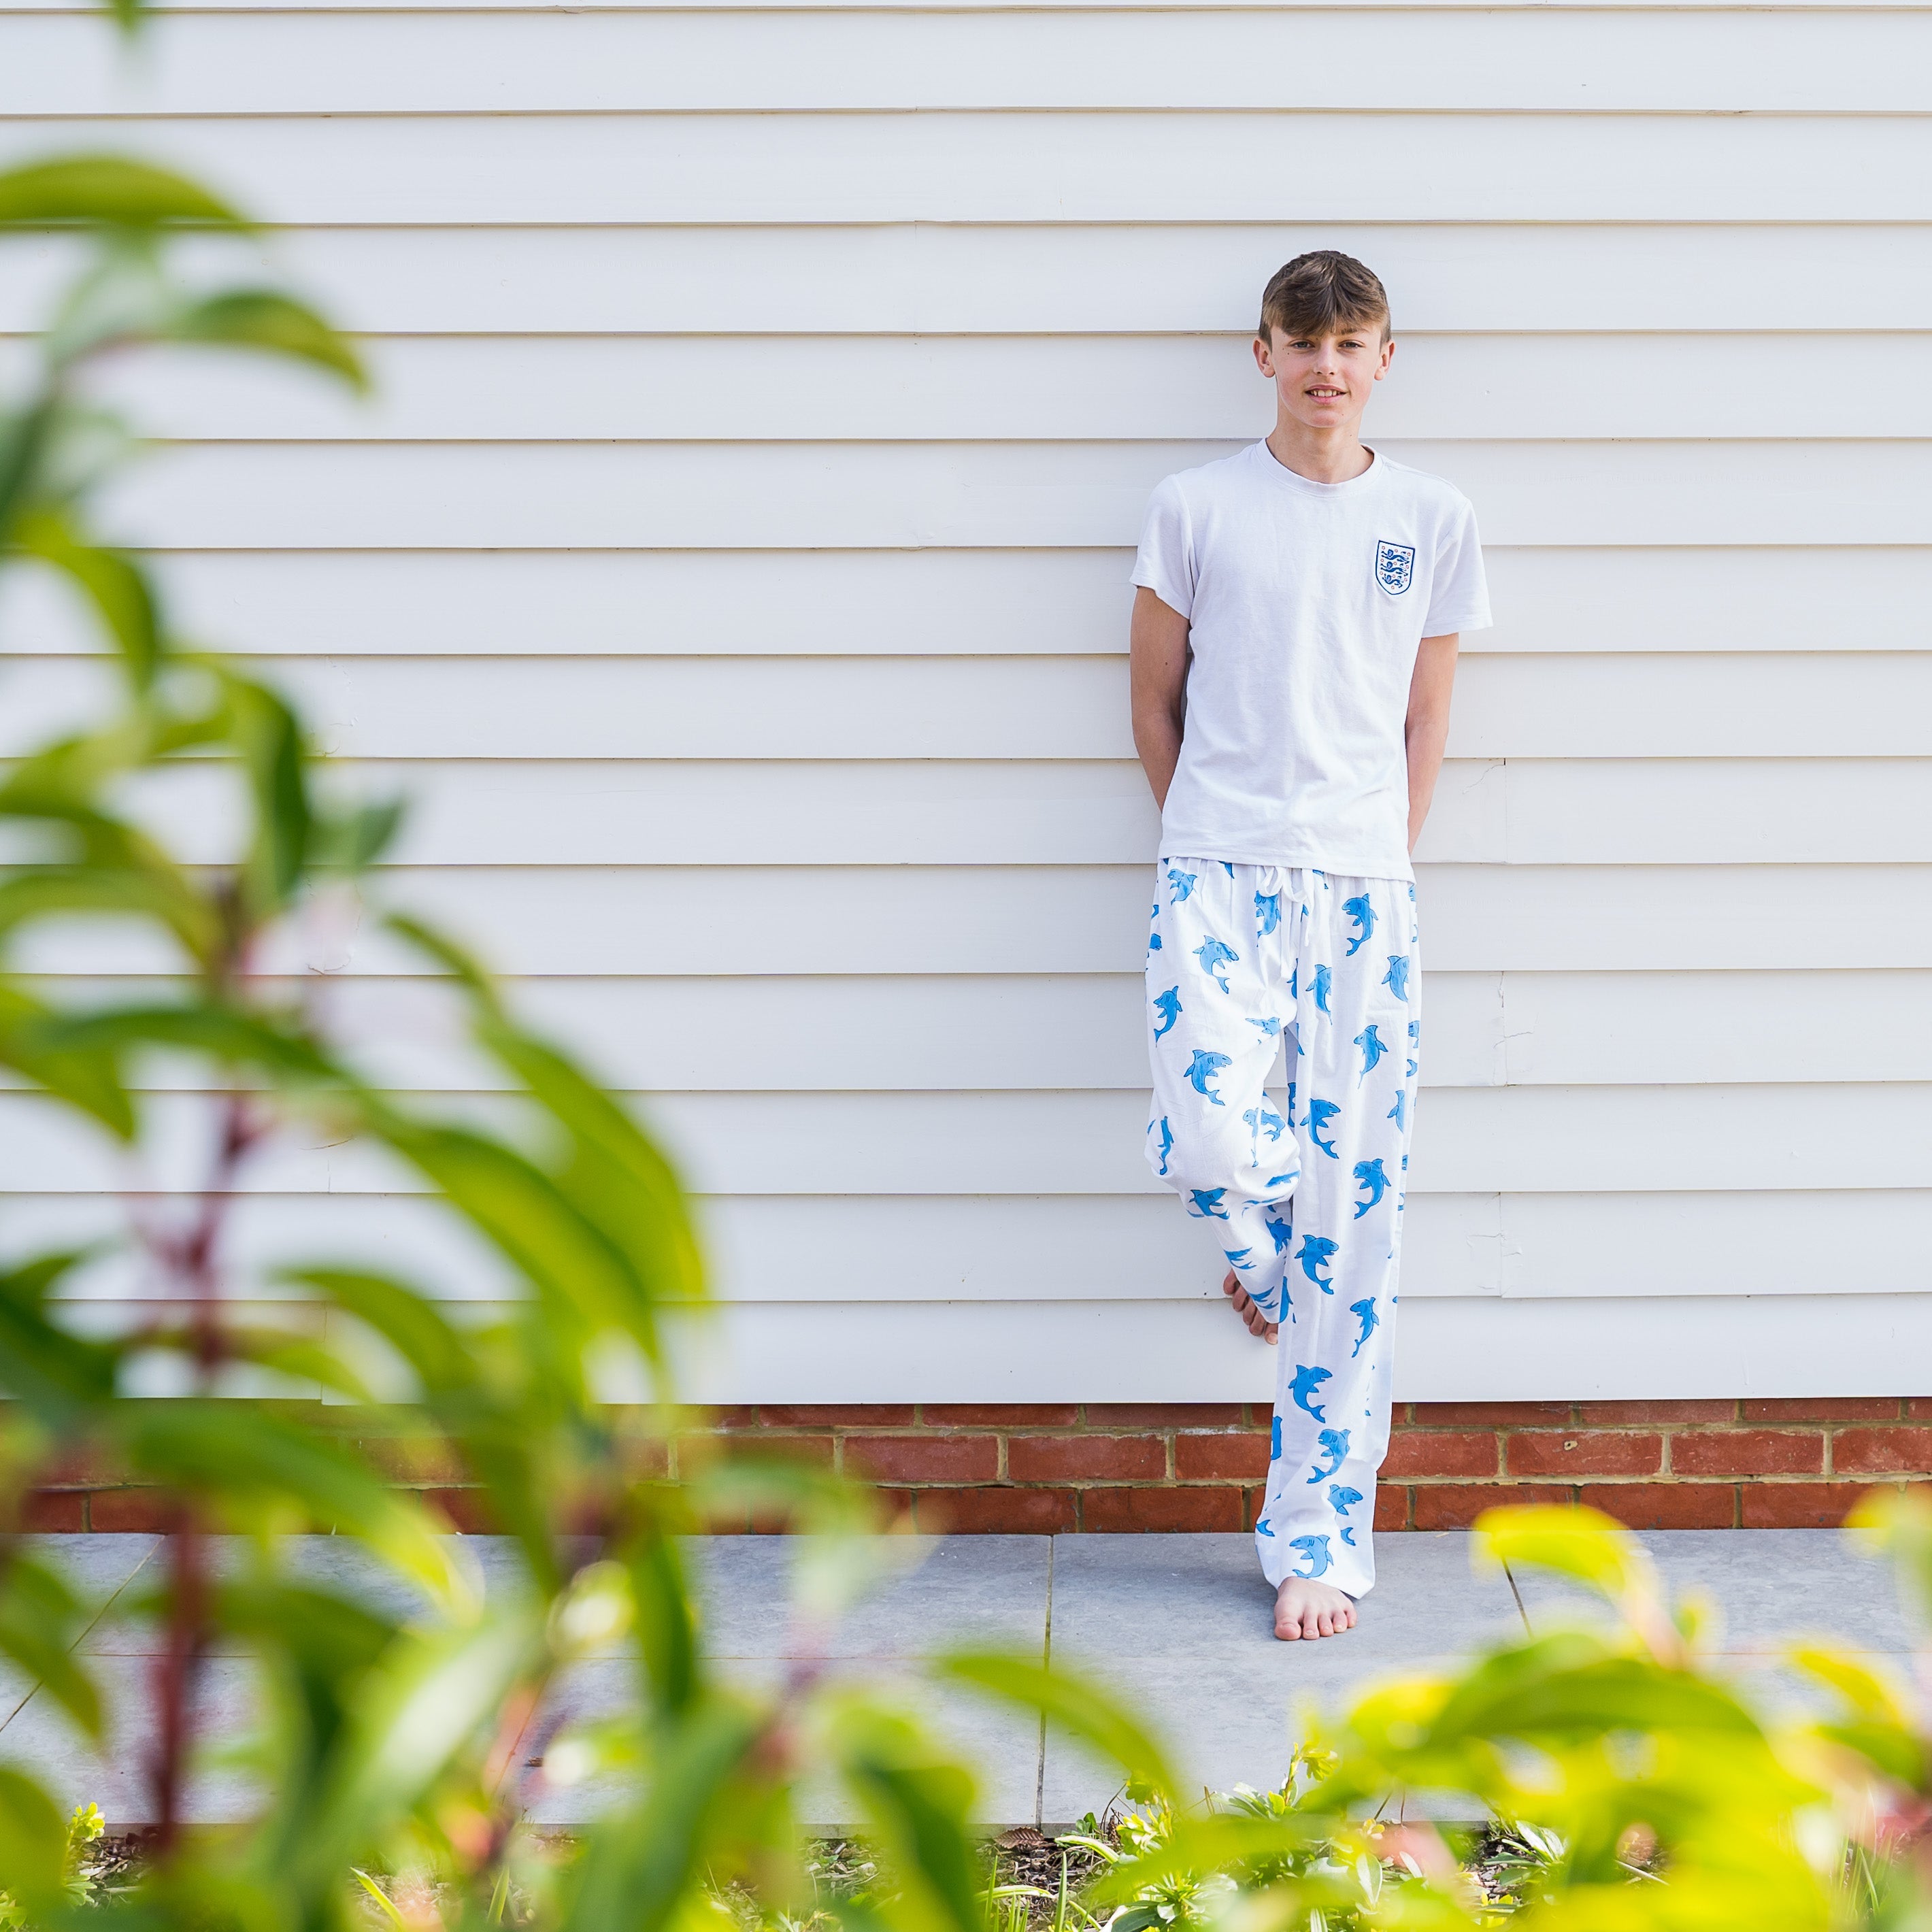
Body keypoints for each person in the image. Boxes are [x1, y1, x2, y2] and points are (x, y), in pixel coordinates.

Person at [1129, 251, 1490, 1641]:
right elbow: (1151, 700)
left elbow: (1426, 718)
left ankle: (1318, 1536)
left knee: (1364, 1216)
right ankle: (1271, 1258)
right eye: (1303, 341)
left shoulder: (1433, 518)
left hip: (1363, 887)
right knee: (1216, 1142)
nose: (1326, 367)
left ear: (1383, 359)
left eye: (1351, 343)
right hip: (1215, 867)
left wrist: (1374, 849)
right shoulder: (1195, 509)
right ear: (1263, 352)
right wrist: (1213, 834)